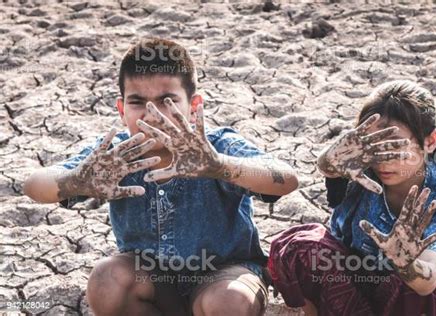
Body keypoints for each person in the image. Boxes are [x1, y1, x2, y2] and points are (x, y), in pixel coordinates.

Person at [23, 37, 299, 316]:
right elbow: (34, 186)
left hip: (224, 274)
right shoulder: (112, 157)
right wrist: (77, 182)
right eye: (137, 102)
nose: (152, 114)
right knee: (106, 280)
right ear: (122, 110)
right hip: (152, 282)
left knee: (228, 300)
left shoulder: (215, 146)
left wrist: (220, 166)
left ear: (194, 106)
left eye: (167, 101)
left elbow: (286, 178)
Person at [268, 80, 436, 316]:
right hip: (355, 281)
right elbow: (329, 166)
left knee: (419, 288)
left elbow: (429, 281)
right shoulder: (361, 165)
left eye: (394, 147)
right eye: (375, 148)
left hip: (405, 291)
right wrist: (329, 161)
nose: (382, 161)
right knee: (297, 246)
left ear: (430, 141)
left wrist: (404, 264)